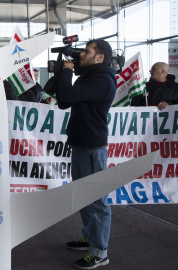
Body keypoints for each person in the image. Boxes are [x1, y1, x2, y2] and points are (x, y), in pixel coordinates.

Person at [55, 40, 117, 269]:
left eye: (87, 51)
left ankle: (100, 252)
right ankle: (90, 237)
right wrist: (63, 72)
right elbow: (64, 100)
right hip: (81, 144)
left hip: (92, 148)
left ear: (100, 57)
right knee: (83, 195)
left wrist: (68, 72)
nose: (81, 54)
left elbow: (69, 94)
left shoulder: (103, 79)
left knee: (97, 200)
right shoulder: (89, 76)